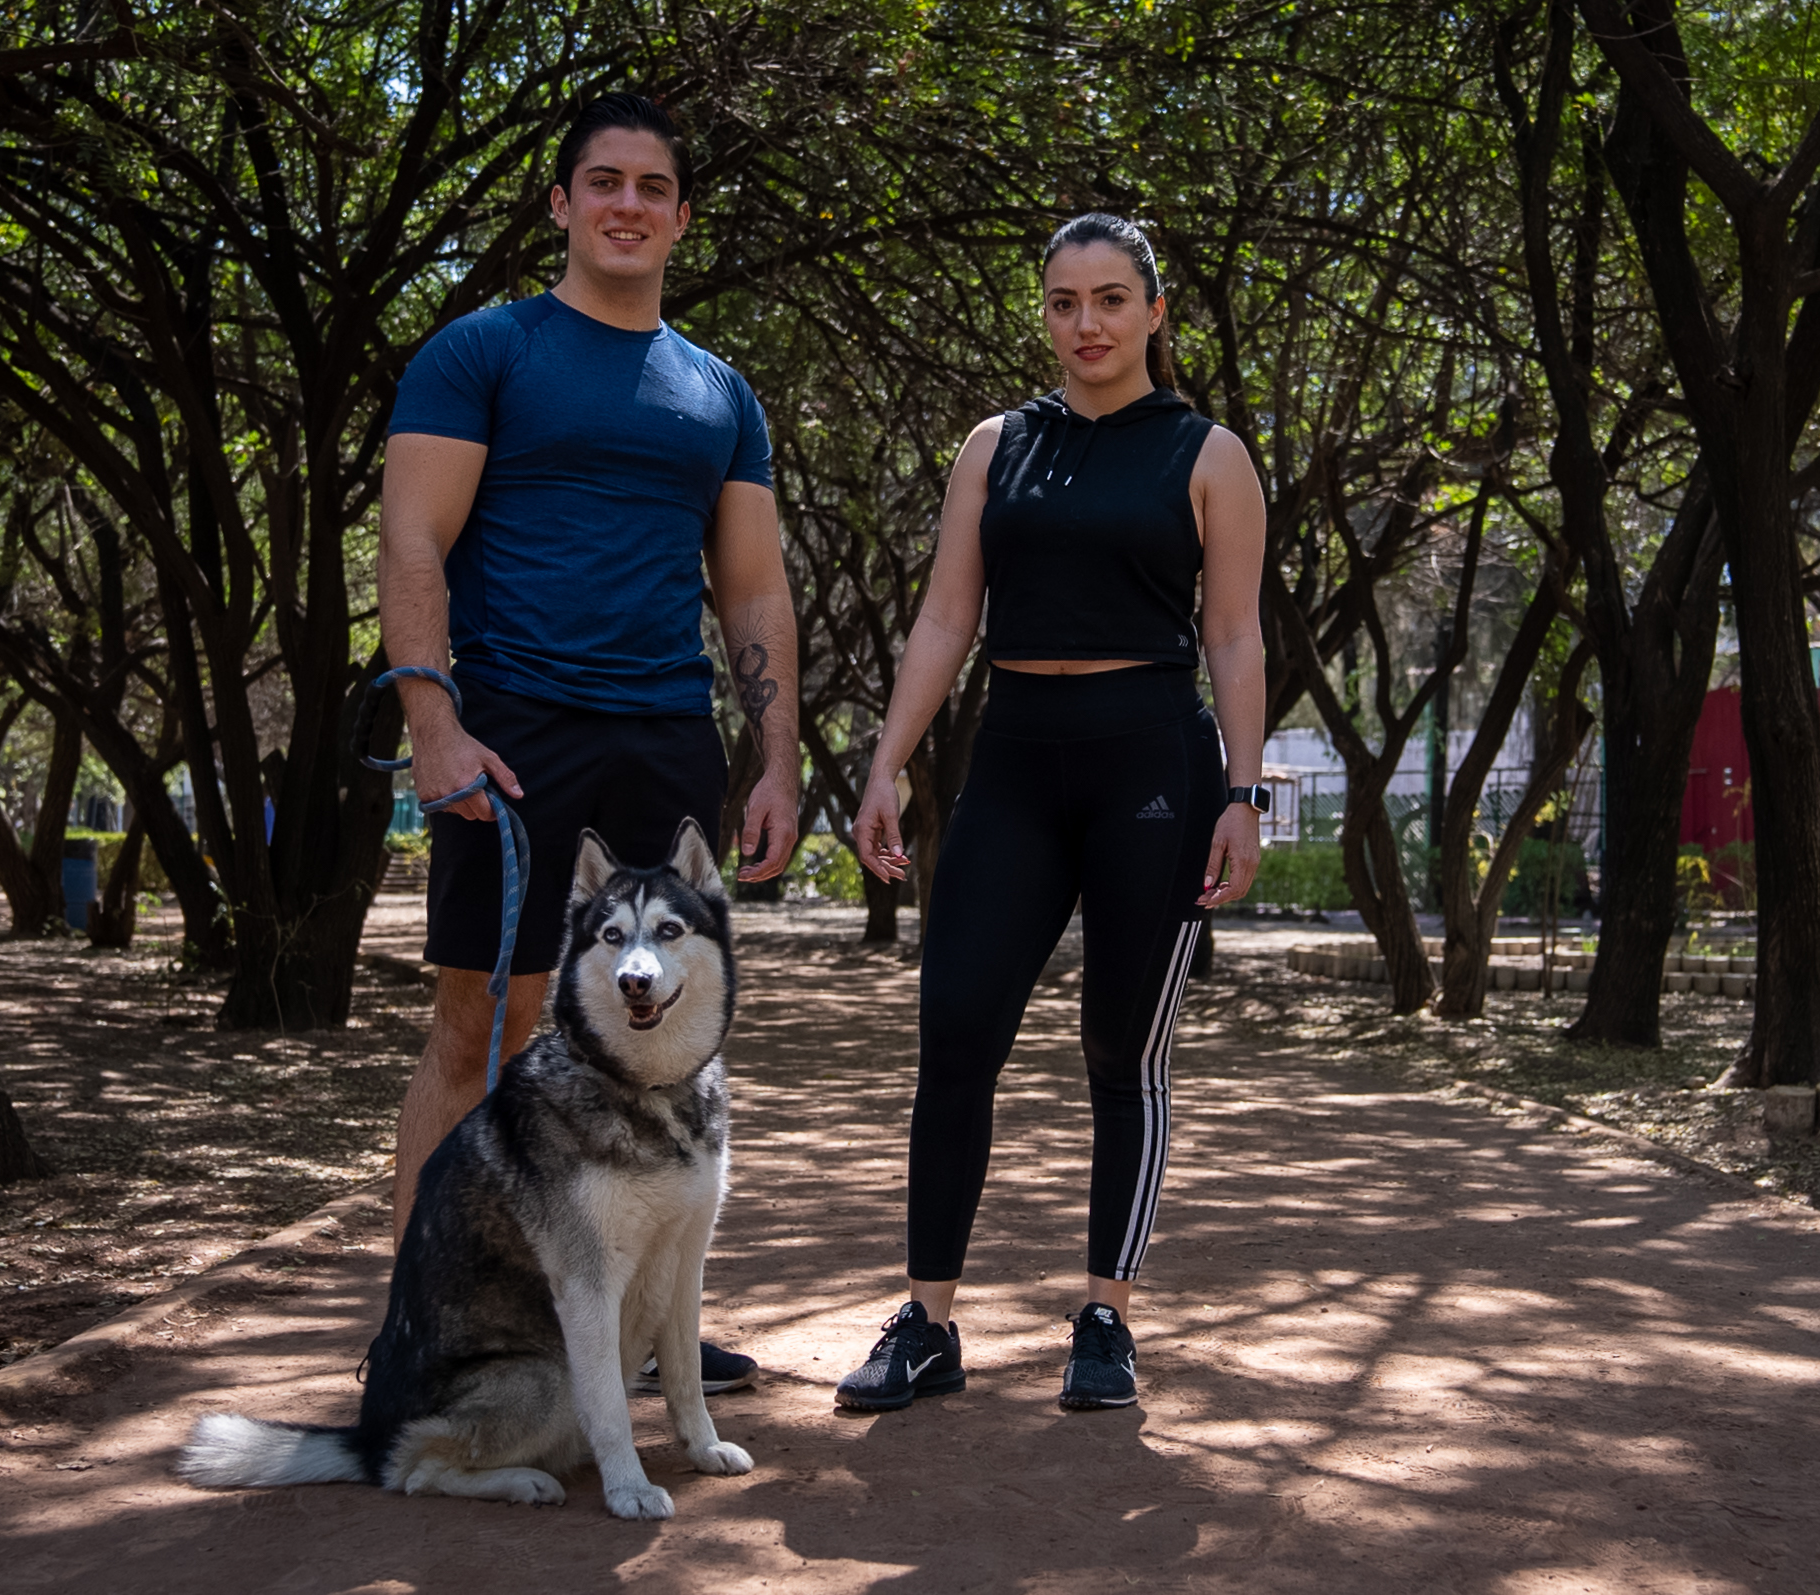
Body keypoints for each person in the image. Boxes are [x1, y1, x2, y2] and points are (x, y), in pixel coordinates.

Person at [377, 93, 800, 1395]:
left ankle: (645, 1340)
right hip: (510, 729)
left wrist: (776, 752)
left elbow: (751, 589)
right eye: (601, 182)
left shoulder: (718, 391)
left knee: (664, 1050)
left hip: (666, 735)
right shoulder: (482, 352)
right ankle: (421, 1341)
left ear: (679, 215)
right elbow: (411, 543)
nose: (627, 204)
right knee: (481, 1033)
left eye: (652, 187)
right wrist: (432, 720)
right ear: (562, 204)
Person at [834, 213, 1268, 1413]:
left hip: (1154, 769)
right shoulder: (997, 444)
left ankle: (1105, 1317)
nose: (1087, 324)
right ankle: (927, 1322)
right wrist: (887, 763)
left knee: (1120, 1051)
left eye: (1112, 299)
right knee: (955, 1030)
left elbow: (1233, 631)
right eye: (1065, 302)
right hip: (1014, 759)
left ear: (1153, 311)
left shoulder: (1208, 453)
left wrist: (1244, 789)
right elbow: (942, 618)